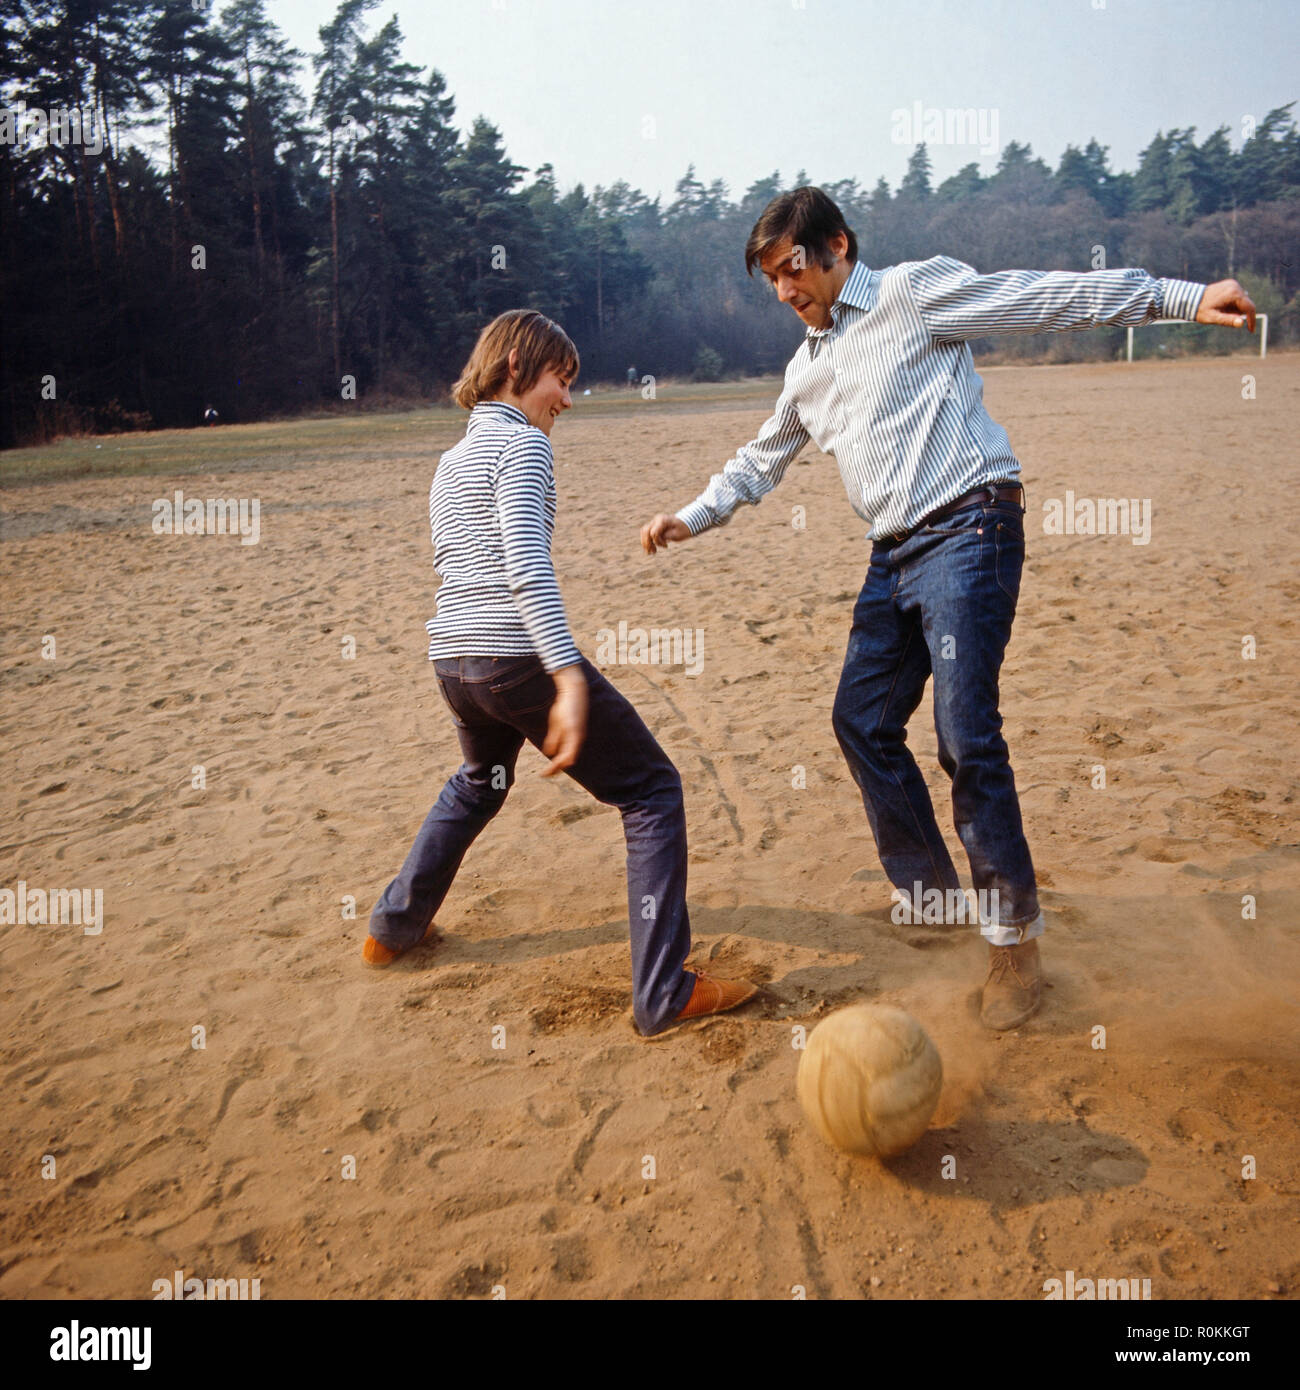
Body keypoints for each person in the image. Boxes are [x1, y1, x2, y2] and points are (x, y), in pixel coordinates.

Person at [640, 187, 1256, 1031]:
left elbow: (1043, 297)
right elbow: (760, 459)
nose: (785, 291)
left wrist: (1182, 297)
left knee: (965, 735)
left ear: (836, 249)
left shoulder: (912, 294)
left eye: (792, 270)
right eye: (771, 280)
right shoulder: (806, 370)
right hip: (892, 555)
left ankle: (1013, 945)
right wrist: (691, 514)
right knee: (861, 721)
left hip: (971, 525)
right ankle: (933, 900)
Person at [362, 309, 757, 1037]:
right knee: (651, 791)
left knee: (480, 782)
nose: (567, 401)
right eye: (559, 380)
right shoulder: (524, 448)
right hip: (513, 660)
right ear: (516, 365)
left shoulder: (451, 459)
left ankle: (392, 927)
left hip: (453, 663)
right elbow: (525, 566)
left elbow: (460, 568)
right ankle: (664, 992)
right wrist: (567, 673)